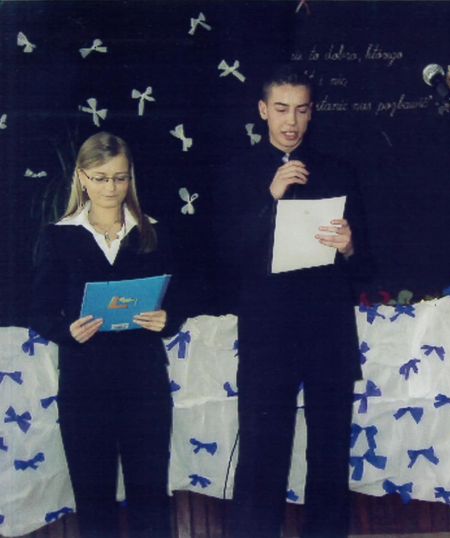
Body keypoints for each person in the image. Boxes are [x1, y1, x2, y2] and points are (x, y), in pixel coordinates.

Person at [213, 65, 371, 538]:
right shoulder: (238, 171)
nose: (291, 121)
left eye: (301, 110)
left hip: (328, 331)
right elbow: (224, 258)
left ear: (312, 112)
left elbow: (367, 265)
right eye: (282, 109)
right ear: (263, 110)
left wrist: (350, 247)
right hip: (268, 336)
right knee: (262, 452)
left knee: (329, 455)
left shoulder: (338, 171)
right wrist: (271, 197)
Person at [30, 132, 182, 538]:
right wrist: (66, 330)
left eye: (119, 178)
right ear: (82, 178)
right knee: (94, 500)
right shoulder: (58, 235)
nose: (110, 188)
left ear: (130, 178)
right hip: (85, 384)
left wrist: (168, 318)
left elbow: (181, 298)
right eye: (100, 178)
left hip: (144, 382)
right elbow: (40, 310)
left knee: (150, 497)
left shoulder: (153, 232)